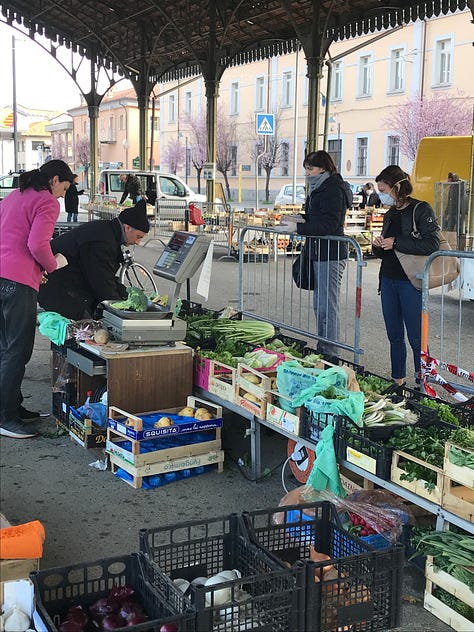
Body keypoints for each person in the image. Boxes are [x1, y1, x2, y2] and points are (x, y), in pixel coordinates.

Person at [0, 160, 74, 439]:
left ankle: (12, 407)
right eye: (64, 188)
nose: (62, 196)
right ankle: (6, 418)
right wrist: (51, 265)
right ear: (55, 179)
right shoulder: (46, 202)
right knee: (17, 350)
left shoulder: (15, 195)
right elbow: (37, 244)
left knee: (4, 348)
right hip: (17, 283)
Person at [277, 150, 353, 359]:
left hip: (330, 253)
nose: (308, 173)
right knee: (320, 305)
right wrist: (299, 219)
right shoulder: (320, 187)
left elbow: (329, 223)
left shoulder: (333, 189)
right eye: (306, 169)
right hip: (319, 252)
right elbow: (315, 217)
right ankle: (324, 346)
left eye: (310, 168)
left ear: (323, 168)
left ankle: (330, 352)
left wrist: (299, 229)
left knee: (327, 306)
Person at [372, 165, 439, 387]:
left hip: (411, 281)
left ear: (397, 187)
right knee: (394, 335)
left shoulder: (421, 209)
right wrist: (378, 246)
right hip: (388, 280)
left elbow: (431, 243)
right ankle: (398, 380)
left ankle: (423, 383)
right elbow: (386, 250)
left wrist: (396, 242)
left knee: (417, 337)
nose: (381, 195)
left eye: (384, 190)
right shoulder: (390, 214)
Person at [38, 199, 150, 320]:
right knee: (80, 328)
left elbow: (105, 275)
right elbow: (101, 280)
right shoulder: (103, 241)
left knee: (76, 327)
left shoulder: (106, 230)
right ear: (127, 227)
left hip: (63, 283)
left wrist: (124, 295)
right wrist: (119, 308)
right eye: (138, 237)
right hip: (58, 286)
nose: (138, 242)